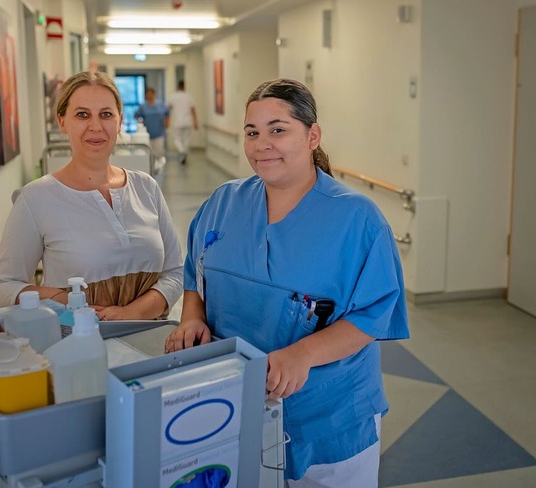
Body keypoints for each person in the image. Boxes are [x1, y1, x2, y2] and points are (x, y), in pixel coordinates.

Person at [164, 78, 409, 487]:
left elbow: (373, 314)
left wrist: (304, 354)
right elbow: (196, 272)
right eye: (252, 132)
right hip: (237, 401)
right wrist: (192, 316)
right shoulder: (223, 203)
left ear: (312, 135)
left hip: (328, 413)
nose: (262, 144)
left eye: (278, 130)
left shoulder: (356, 220)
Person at [0, 71, 183, 321]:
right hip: (74, 344)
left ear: (119, 120)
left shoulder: (146, 187)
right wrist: (62, 299)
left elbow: (175, 271)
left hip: (151, 344)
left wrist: (130, 314)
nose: (96, 126)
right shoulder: (35, 199)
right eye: (82, 115)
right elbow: (3, 287)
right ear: (62, 122)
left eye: (106, 114)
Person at [134, 87, 169, 162]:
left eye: (151, 94)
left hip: (159, 132)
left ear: (154, 94)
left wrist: (167, 123)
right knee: (149, 152)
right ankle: (151, 168)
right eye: (148, 94)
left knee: (159, 152)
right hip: (147, 133)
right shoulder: (143, 106)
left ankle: (159, 169)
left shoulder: (160, 104)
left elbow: (167, 114)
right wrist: (140, 122)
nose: (149, 96)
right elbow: (136, 115)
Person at [167, 80, 198, 165]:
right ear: (184, 86)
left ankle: (182, 151)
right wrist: (195, 122)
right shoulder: (189, 97)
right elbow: (193, 110)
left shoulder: (173, 97)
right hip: (188, 121)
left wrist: (167, 120)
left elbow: (168, 108)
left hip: (177, 122)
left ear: (177, 86)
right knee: (186, 139)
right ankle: (184, 152)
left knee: (177, 139)